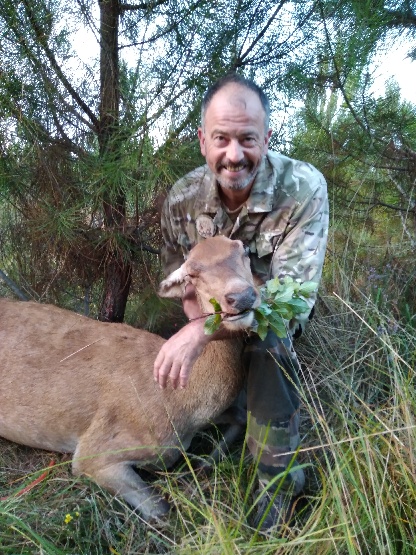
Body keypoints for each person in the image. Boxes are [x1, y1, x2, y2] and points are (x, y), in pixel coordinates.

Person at [154, 74, 329, 534]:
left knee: (265, 345)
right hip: (216, 311)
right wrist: (201, 322)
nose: (234, 155)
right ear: (203, 142)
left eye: (248, 139)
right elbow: (182, 285)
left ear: (266, 138)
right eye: (222, 139)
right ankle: (232, 420)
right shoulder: (182, 198)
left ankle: (278, 482)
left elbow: (295, 300)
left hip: (273, 310)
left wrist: (201, 331)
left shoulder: (303, 187)